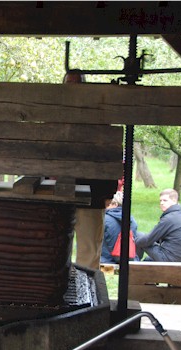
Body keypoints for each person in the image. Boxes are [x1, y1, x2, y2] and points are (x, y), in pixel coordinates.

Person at [64, 70, 118, 269]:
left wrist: (108, 192)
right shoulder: (56, 114)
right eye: (69, 84)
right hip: (60, 190)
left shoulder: (98, 115)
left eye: (77, 84)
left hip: (92, 193)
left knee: (89, 249)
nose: (74, 89)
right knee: (58, 245)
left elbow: (109, 153)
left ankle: (86, 284)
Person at [135, 189, 181, 262]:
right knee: (148, 260)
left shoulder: (169, 218)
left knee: (138, 235)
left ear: (174, 201)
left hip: (169, 258)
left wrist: (134, 240)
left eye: (165, 200)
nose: (162, 203)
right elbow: (156, 238)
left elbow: (148, 239)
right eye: (160, 201)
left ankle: (134, 263)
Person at [101, 191, 139, 264]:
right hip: (129, 260)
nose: (105, 206)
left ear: (115, 204)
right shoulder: (131, 220)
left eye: (108, 204)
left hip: (107, 261)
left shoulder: (105, 219)